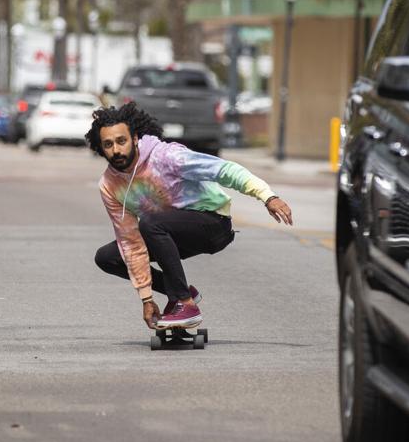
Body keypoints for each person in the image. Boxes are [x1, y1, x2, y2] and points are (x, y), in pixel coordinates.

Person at [87, 102, 294, 330]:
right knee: (108, 256)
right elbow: (131, 243)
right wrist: (146, 298)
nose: (116, 150)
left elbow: (224, 170)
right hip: (168, 233)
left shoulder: (167, 157)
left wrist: (267, 196)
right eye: (108, 144)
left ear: (135, 138)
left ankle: (185, 304)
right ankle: (181, 293)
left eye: (121, 141)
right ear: (101, 148)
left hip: (213, 224)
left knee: (151, 224)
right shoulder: (109, 185)